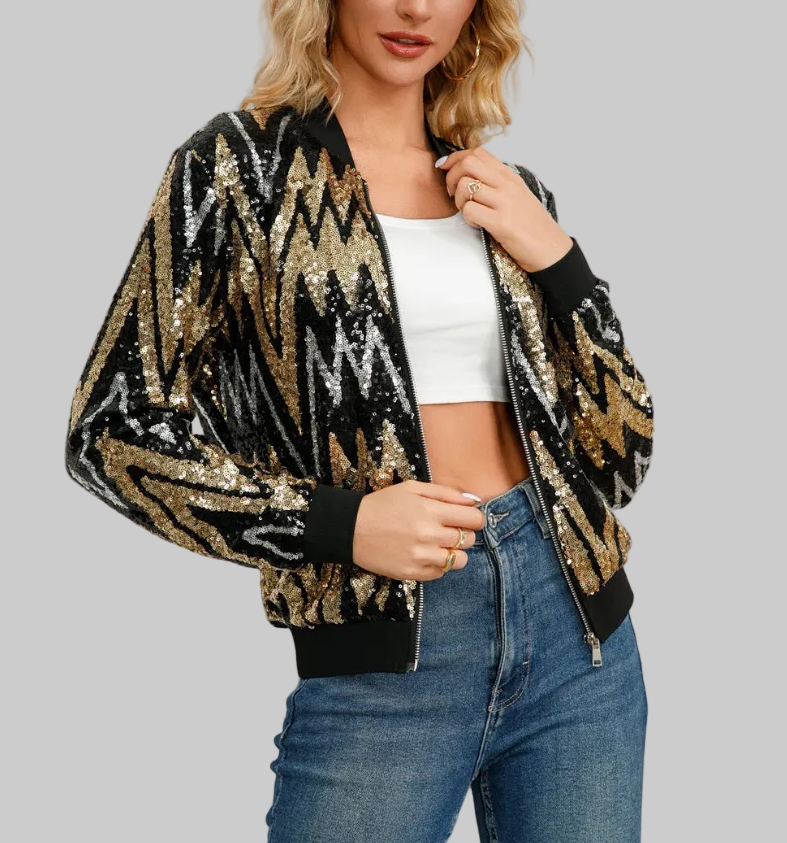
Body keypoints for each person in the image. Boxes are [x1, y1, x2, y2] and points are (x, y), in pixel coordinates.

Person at [64, 1, 655, 840]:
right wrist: (338, 524)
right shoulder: (236, 171)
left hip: (579, 641)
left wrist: (560, 260)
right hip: (381, 661)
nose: (417, 8)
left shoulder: (502, 190)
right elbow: (111, 432)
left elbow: (621, 460)